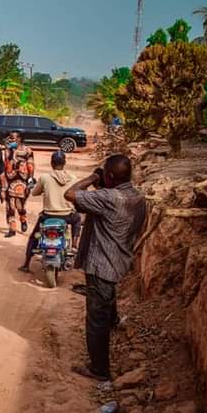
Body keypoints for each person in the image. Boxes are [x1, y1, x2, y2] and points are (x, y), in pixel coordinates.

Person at [64, 154, 146, 382]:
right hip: (120, 258)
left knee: (95, 317)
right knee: (108, 296)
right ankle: (114, 321)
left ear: (109, 176)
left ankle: (98, 369)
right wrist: (103, 182)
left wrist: (92, 176)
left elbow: (70, 194)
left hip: (102, 263)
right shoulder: (137, 197)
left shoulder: (109, 197)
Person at [18, 150, 81, 273]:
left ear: (52, 163)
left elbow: (35, 192)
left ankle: (26, 264)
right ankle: (74, 245)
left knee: (33, 237)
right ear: (64, 163)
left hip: (48, 216)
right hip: (67, 215)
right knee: (77, 218)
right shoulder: (73, 178)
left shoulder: (45, 178)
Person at [3, 132, 35, 238]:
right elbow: (5, 165)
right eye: (10, 138)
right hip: (10, 180)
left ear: (19, 139)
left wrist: (30, 180)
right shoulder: (7, 150)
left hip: (23, 182)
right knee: (10, 207)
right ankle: (12, 228)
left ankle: (23, 219)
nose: (11, 140)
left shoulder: (27, 150)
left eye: (13, 138)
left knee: (20, 206)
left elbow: (31, 165)